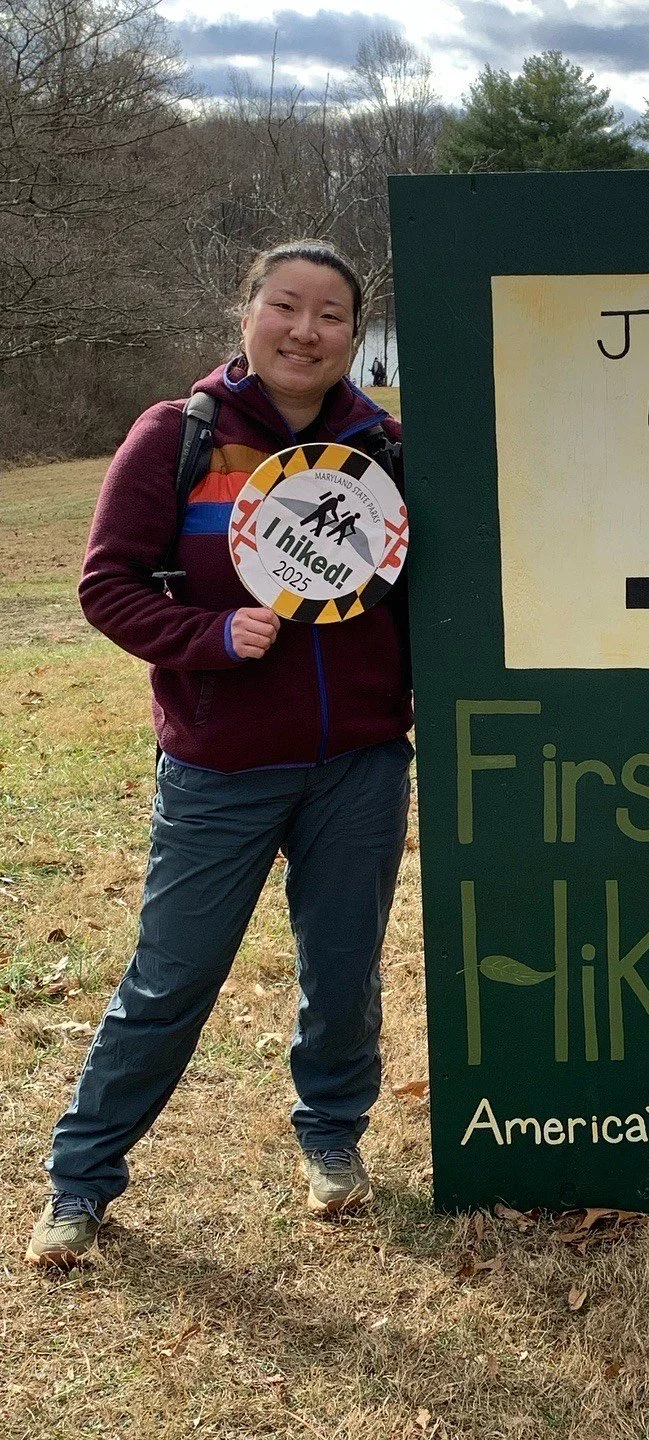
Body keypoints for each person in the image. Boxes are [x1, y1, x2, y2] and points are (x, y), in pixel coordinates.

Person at [27, 240, 412, 1270]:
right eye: (285, 306)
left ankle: (332, 1134)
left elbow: (428, 595)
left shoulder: (385, 448)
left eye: (331, 313)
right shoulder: (178, 435)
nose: (306, 330)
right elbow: (106, 584)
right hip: (221, 764)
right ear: (247, 314)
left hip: (361, 763)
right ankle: (81, 1179)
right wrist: (209, 638)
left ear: (353, 333)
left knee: (343, 971)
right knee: (171, 976)